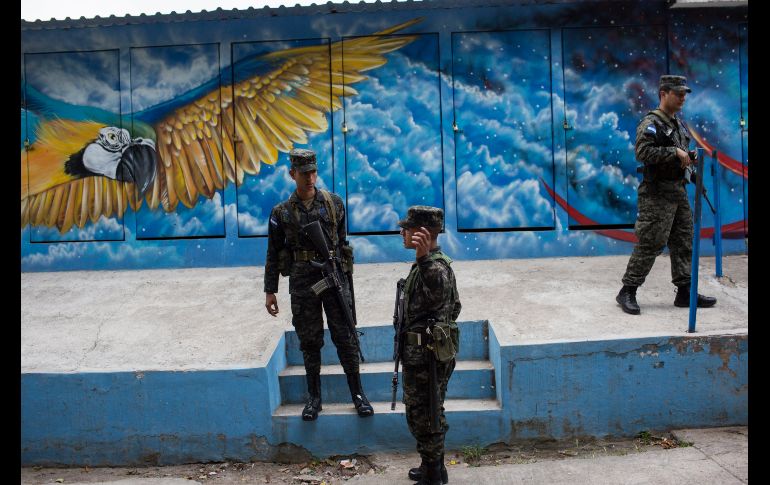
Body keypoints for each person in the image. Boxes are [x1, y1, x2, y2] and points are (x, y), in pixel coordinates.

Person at [263, 148, 373, 420]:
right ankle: (314, 398)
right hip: (302, 281)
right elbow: (273, 253)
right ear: (292, 174)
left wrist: (345, 282)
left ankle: (358, 394)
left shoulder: (334, 203)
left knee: (345, 336)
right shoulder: (282, 213)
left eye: (313, 172)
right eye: (303, 173)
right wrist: (270, 290)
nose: (310, 178)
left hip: (332, 277)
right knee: (309, 341)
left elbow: (342, 243)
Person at [616, 75, 717, 315]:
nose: (683, 98)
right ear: (664, 93)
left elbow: (680, 156)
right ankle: (627, 291)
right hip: (657, 193)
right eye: (678, 93)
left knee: (684, 241)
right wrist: (674, 152)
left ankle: (685, 292)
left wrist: (689, 165)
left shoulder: (678, 125)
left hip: (677, 191)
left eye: (684, 94)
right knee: (651, 242)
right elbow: (643, 152)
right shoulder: (651, 123)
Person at [397, 206, 461, 485]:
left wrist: (422, 259)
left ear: (422, 234)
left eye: (408, 228)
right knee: (422, 410)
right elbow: (454, 307)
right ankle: (431, 465)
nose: (403, 232)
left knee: (427, 413)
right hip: (422, 354)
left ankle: (434, 474)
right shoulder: (431, 263)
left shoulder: (433, 267)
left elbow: (438, 297)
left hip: (428, 357)